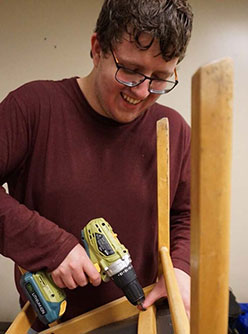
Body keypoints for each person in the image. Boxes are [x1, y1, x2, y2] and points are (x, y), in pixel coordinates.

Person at [0, 0, 193, 332]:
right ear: (97, 48)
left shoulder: (173, 129)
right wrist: (52, 247)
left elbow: (186, 214)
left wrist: (180, 267)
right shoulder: (31, 109)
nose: (143, 91)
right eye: (130, 71)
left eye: (160, 78)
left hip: (146, 318)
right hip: (55, 324)